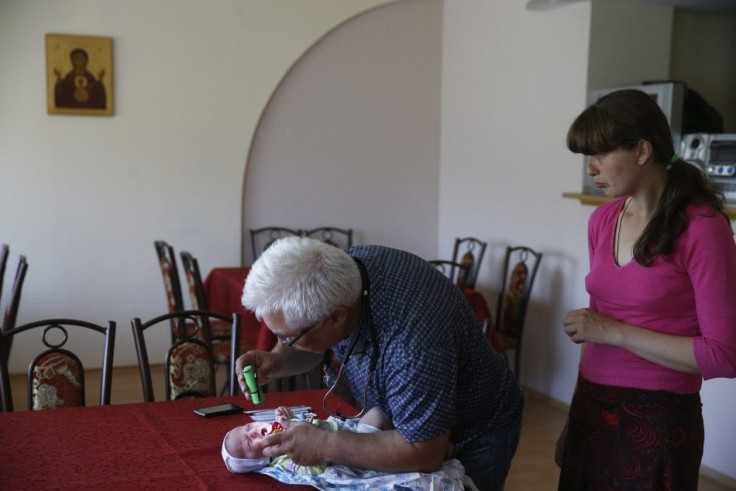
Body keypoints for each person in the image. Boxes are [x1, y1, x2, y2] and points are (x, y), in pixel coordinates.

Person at [235, 237, 524, 491]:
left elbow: (424, 451)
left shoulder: (413, 343)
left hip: (473, 432)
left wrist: (324, 444)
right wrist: (276, 361)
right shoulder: (342, 271)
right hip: (403, 418)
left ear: (336, 316)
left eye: (287, 338)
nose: (282, 343)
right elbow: (316, 339)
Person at [557, 89, 736, 489]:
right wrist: (573, 418)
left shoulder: (703, 228)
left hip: (659, 420)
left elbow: (724, 356)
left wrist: (614, 332)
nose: (591, 168)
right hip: (592, 407)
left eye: (601, 155)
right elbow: (593, 328)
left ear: (641, 151)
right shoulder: (602, 221)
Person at [222, 406, 393, 474]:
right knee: (377, 415)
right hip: (352, 450)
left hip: (347, 433)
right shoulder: (285, 462)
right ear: (259, 461)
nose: (253, 433)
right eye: (249, 442)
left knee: (377, 413)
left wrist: (291, 419)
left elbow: (304, 428)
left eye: (248, 428)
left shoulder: (279, 429)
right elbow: (314, 469)